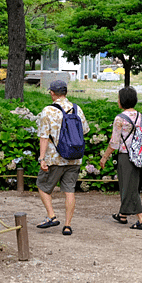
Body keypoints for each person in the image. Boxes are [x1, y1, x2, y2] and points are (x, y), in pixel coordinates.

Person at [36, 79, 90, 236]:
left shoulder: (48, 111)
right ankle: (67, 225)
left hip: (55, 157)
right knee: (69, 190)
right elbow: (85, 130)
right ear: (66, 93)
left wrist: (42, 158)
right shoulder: (77, 109)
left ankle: (52, 215)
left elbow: (44, 137)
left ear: (52, 93)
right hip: (74, 157)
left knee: (42, 185)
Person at [99, 86, 142, 230]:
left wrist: (104, 157)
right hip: (140, 157)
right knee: (132, 185)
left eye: (118, 98)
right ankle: (122, 215)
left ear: (122, 100)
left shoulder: (120, 118)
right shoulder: (141, 117)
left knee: (129, 187)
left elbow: (114, 142)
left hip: (126, 156)